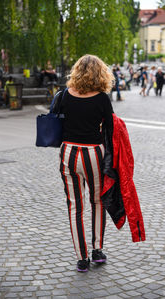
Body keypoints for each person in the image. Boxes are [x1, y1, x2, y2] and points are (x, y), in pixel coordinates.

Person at [59, 54, 114, 272]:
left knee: (75, 205)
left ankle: (81, 258)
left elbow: (58, 119)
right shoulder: (101, 98)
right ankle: (97, 250)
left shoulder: (65, 95)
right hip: (93, 152)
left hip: (68, 152)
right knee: (97, 201)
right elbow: (110, 128)